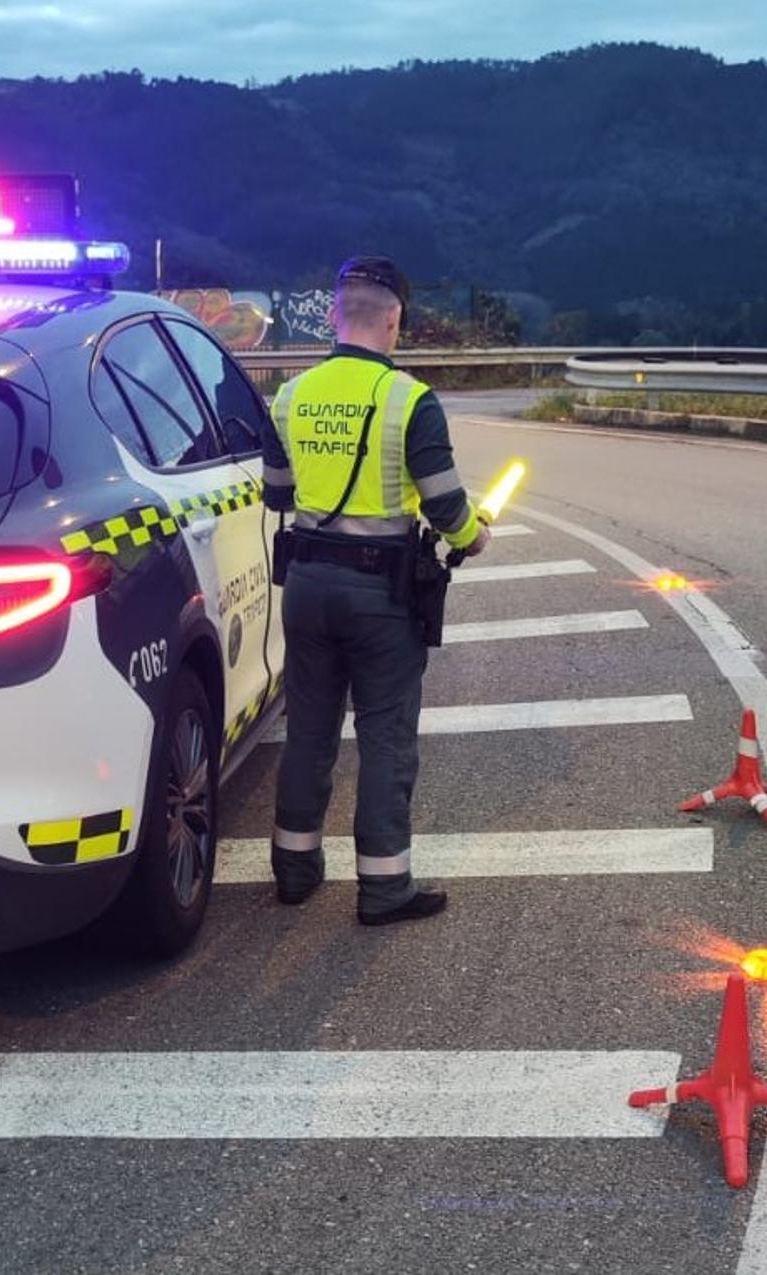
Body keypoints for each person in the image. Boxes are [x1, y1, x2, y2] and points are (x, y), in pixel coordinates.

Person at [261, 257, 490, 925]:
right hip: (380, 594)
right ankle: (385, 888)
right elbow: (445, 506)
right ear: (395, 320)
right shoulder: (409, 401)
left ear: (334, 315)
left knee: (309, 729)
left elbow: (277, 494)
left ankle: (294, 872)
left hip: (306, 584)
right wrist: (475, 536)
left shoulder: (290, 396)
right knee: (385, 735)